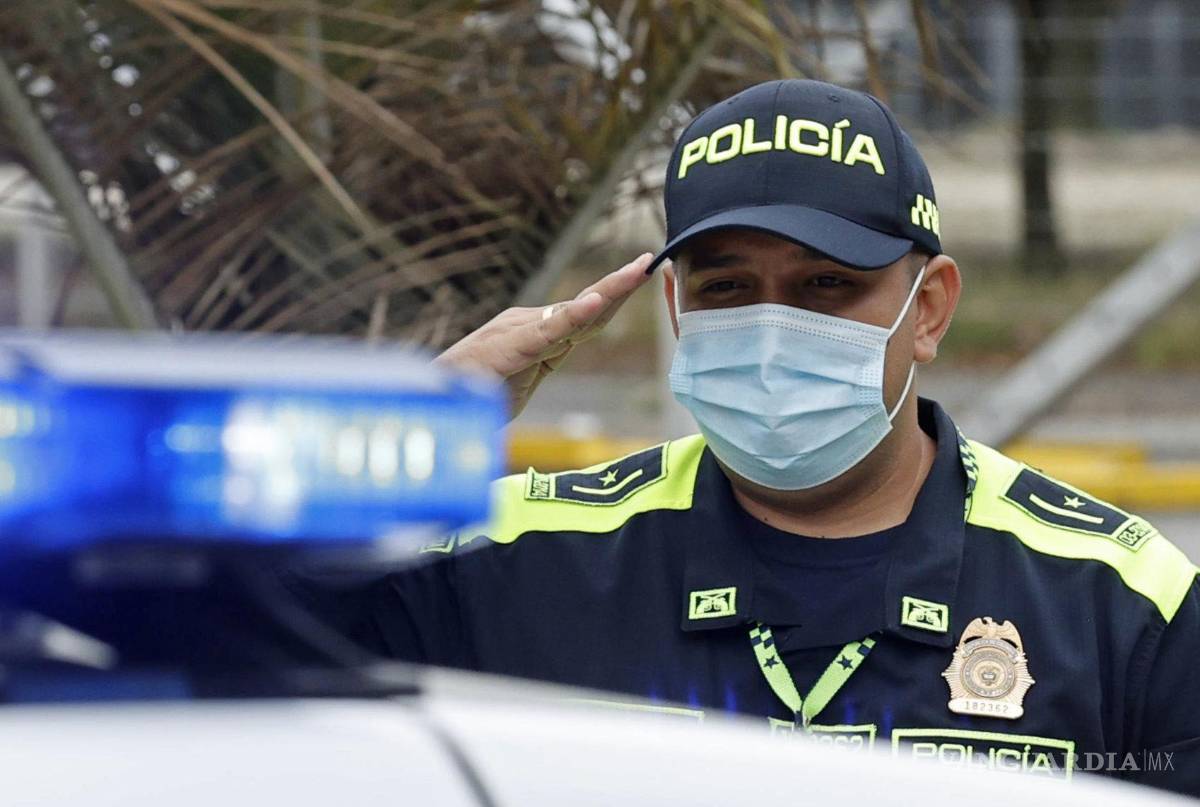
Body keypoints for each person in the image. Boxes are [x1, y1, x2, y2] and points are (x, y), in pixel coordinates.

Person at [299, 80, 1200, 795]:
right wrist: (398, 440)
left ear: (928, 309)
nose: (774, 332)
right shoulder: (515, 562)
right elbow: (229, 682)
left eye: (825, 286)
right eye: (727, 288)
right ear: (675, 308)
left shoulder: (1117, 600)